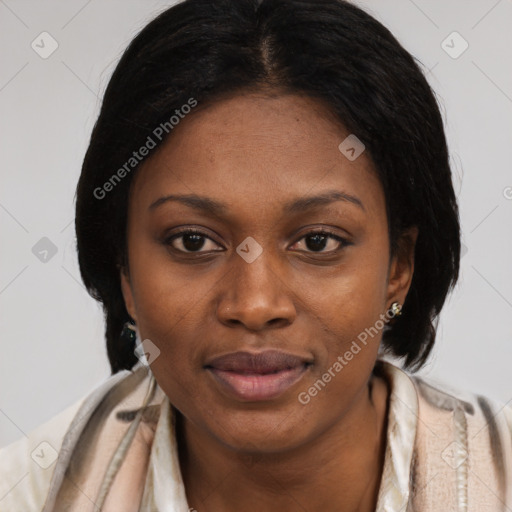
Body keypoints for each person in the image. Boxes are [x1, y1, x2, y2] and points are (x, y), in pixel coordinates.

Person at [1, 0, 511, 510]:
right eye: (193, 241)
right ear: (125, 272)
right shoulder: (28, 492)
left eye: (318, 242)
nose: (254, 304)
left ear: (398, 267)